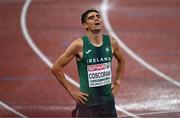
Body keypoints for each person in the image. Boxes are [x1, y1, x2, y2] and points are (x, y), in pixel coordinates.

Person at [51, 9, 125, 117]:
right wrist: (71, 90)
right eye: (91, 17)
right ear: (85, 25)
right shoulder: (79, 45)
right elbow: (56, 68)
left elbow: (122, 60)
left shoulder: (112, 43)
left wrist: (118, 81)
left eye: (98, 16)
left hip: (108, 103)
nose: (96, 18)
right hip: (88, 105)